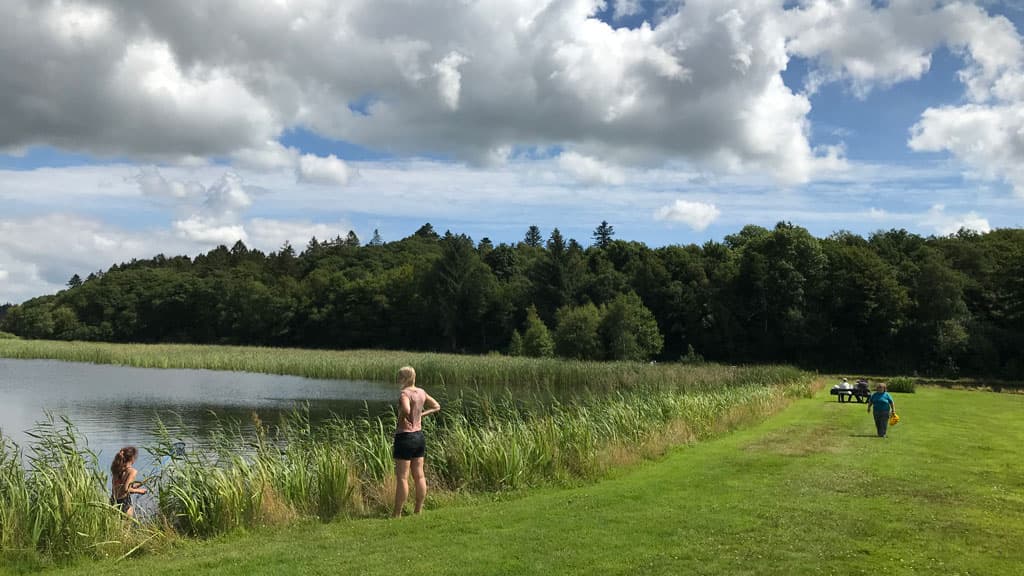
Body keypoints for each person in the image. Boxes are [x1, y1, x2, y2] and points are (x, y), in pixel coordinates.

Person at [392, 366, 440, 518]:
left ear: (404, 378)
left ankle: (397, 513)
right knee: (419, 475)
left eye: (400, 377)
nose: (398, 380)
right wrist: (421, 416)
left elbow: (406, 409)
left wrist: (401, 420)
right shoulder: (421, 392)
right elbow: (436, 406)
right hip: (419, 437)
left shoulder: (404, 394)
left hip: (405, 437)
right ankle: (418, 510)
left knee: (402, 477)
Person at [110, 446, 147, 517]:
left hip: (113, 501)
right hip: (124, 502)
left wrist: (138, 485)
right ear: (132, 458)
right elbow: (126, 489)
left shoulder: (116, 469)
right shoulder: (132, 471)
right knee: (126, 527)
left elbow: (121, 486)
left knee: (115, 526)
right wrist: (140, 491)